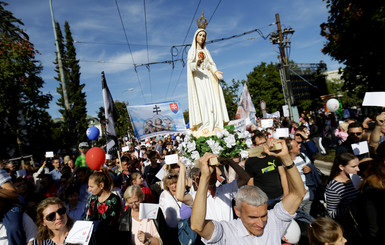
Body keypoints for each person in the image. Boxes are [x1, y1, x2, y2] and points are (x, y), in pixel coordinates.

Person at [191, 140, 306, 244]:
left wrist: (286, 158)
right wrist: (205, 177)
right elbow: (197, 226)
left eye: (264, 215)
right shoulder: (227, 232)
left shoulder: (274, 221)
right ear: (237, 211)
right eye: (253, 217)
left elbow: (298, 194)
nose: (261, 224)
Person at [187, 13, 229, 136]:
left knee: (212, 100)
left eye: (204, 35)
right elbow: (190, 66)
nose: (202, 37)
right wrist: (197, 63)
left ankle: (215, 124)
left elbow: (210, 63)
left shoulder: (206, 51)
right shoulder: (192, 51)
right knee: (203, 101)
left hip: (208, 79)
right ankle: (205, 125)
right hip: (198, 79)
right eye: (200, 35)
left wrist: (215, 71)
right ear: (196, 37)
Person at [325, 152, 361, 244]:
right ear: (341, 167)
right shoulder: (333, 188)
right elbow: (332, 213)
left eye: (358, 165)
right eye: (354, 167)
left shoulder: (357, 178)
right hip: (350, 229)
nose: (358, 169)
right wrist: (353, 208)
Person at [245, 131, 289, 206]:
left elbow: (283, 175)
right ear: (254, 146)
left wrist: (286, 194)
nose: (263, 146)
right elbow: (250, 183)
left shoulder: (273, 155)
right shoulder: (250, 162)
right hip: (264, 200)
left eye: (265, 143)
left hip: (280, 196)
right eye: (260, 144)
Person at [86, 169, 121, 244]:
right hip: (93, 237)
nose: (89, 189)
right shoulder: (93, 198)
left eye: (92, 187)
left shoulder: (114, 199)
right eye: (89, 186)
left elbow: (112, 221)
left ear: (101, 185)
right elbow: (88, 216)